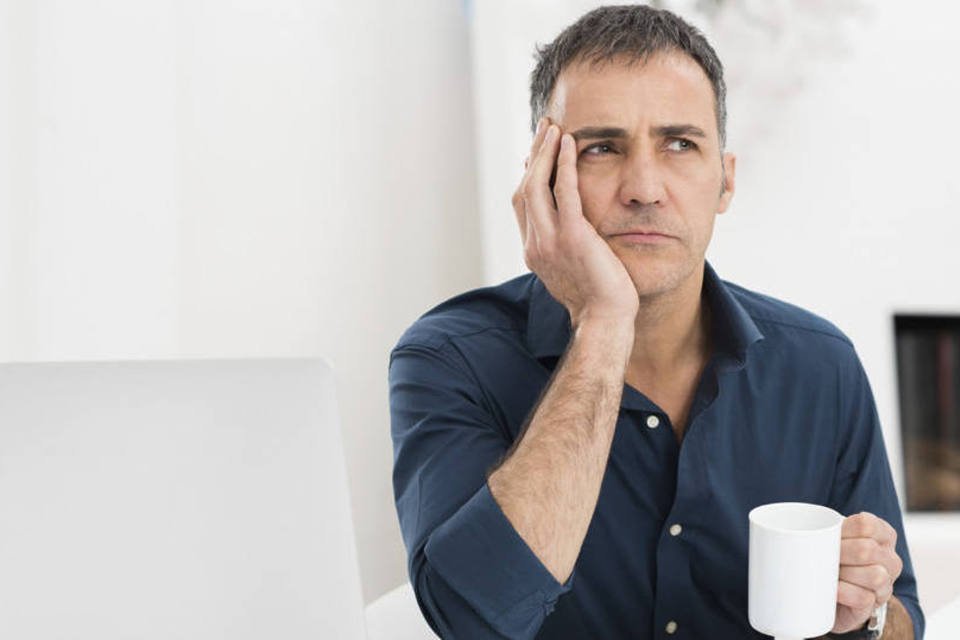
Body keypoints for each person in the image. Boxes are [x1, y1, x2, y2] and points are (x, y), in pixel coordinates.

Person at [388, 4, 923, 639]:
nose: (644, 187)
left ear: (725, 182)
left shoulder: (820, 365)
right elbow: (473, 619)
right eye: (601, 148)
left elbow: (901, 617)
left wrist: (865, 617)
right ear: (541, 179)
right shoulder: (450, 358)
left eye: (679, 144)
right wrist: (603, 323)